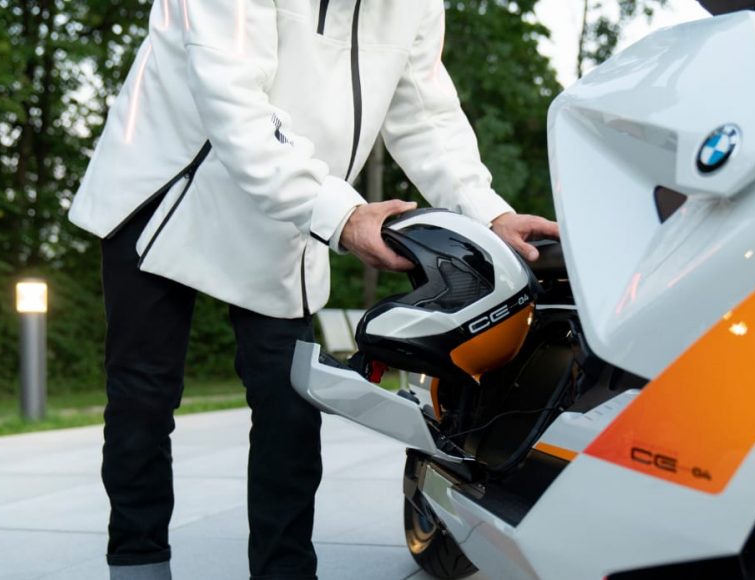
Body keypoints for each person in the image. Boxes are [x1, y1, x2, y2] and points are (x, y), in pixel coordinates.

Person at [68, 1, 558, 579]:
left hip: (285, 207)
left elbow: (426, 114)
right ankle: (139, 565)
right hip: (168, 187)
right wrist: (344, 215)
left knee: (289, 405)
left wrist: (488, 212)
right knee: (144, 398)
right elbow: (234, 103)